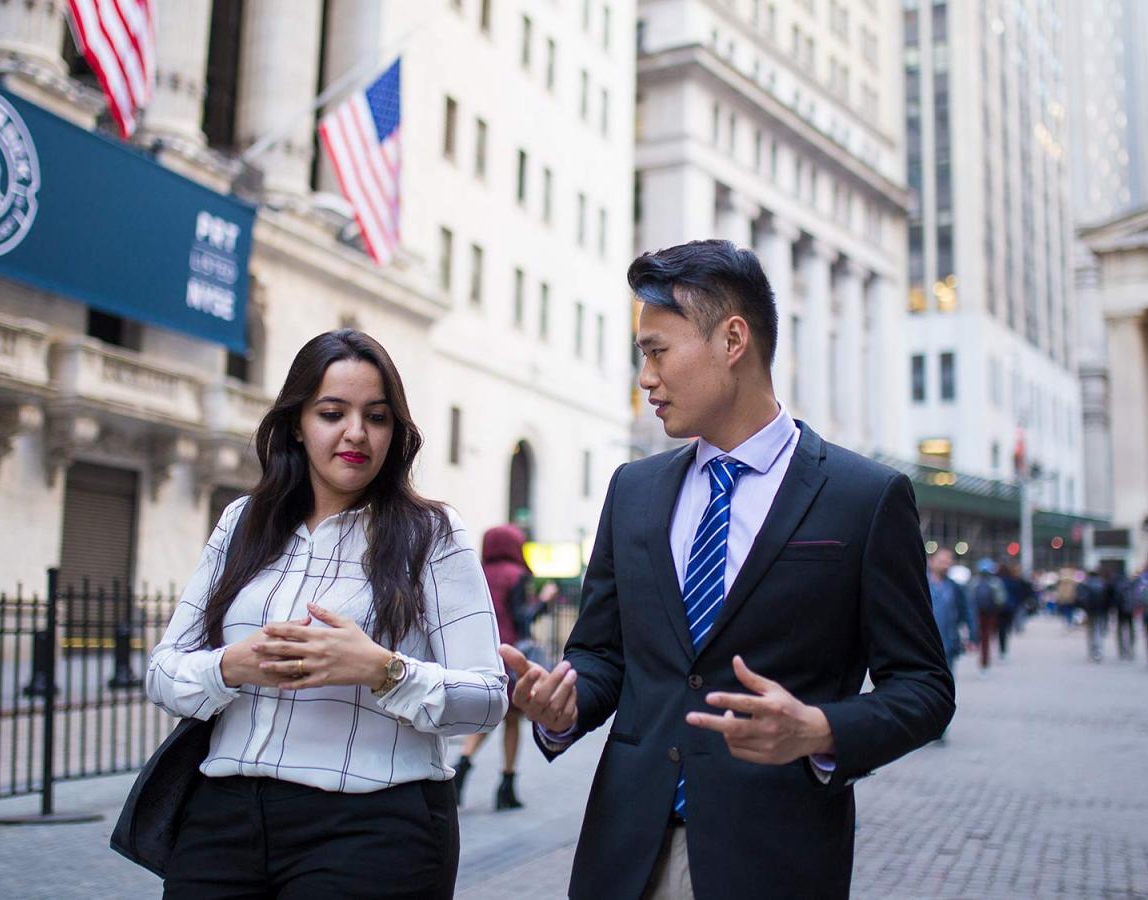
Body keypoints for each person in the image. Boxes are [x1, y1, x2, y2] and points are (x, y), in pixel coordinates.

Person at [499, 241, 954, 900]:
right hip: (624, 857)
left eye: (657, 351)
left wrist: (822, 730)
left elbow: (924, 688)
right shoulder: (634, 490)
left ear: (732, 339)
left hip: (774, 858)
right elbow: (602, 653)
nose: (645, 378)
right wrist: (562, 702)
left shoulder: (865, 498)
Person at [144, 329, 507, 898]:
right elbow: (164, 672)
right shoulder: (243, 522)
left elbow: (487, 700)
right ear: (296, 422)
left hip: (372, 827)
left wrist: (381, 670)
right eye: (332, 412)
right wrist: (230, 666)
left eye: (377, 417)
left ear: (396, 431)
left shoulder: (431, 534)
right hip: (223, 819)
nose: (355, 433)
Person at [453, 524, 547, 810]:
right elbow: (523, 619)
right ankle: (506, 786)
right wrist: (543, 602)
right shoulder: (517, 575)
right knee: (512, 720)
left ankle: (463, 764)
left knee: (489, 715)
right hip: (510, 654)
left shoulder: (477, 571)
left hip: (483, 651)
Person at [928, 549, 977, 687]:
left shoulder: (955, 588)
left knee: (946, 681)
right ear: (932, 562)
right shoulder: (921, 584)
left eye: (949, 562)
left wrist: (973, 637)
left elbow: (967, 612)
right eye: (942, 561)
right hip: (924, 642)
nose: (946, 565)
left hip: (948, 642)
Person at [971, 560, 1007, 677]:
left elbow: (969, 599)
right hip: (991, 613)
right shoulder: (995, 582)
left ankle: (983, 660)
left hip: (977, 613)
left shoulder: (974, 582)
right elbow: (1001, 599)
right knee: (987, 638)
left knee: (982, 637)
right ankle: (985, 661)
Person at [1081, 570, 1110, 662]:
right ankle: (1099, 650)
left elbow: (1082, 599)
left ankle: (1092, 650)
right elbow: (1108, 599)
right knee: (1099, 631)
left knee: (1091, 631)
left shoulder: (1086, 585)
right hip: (1101, 611)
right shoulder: (1103, 585)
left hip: (1090, 611)